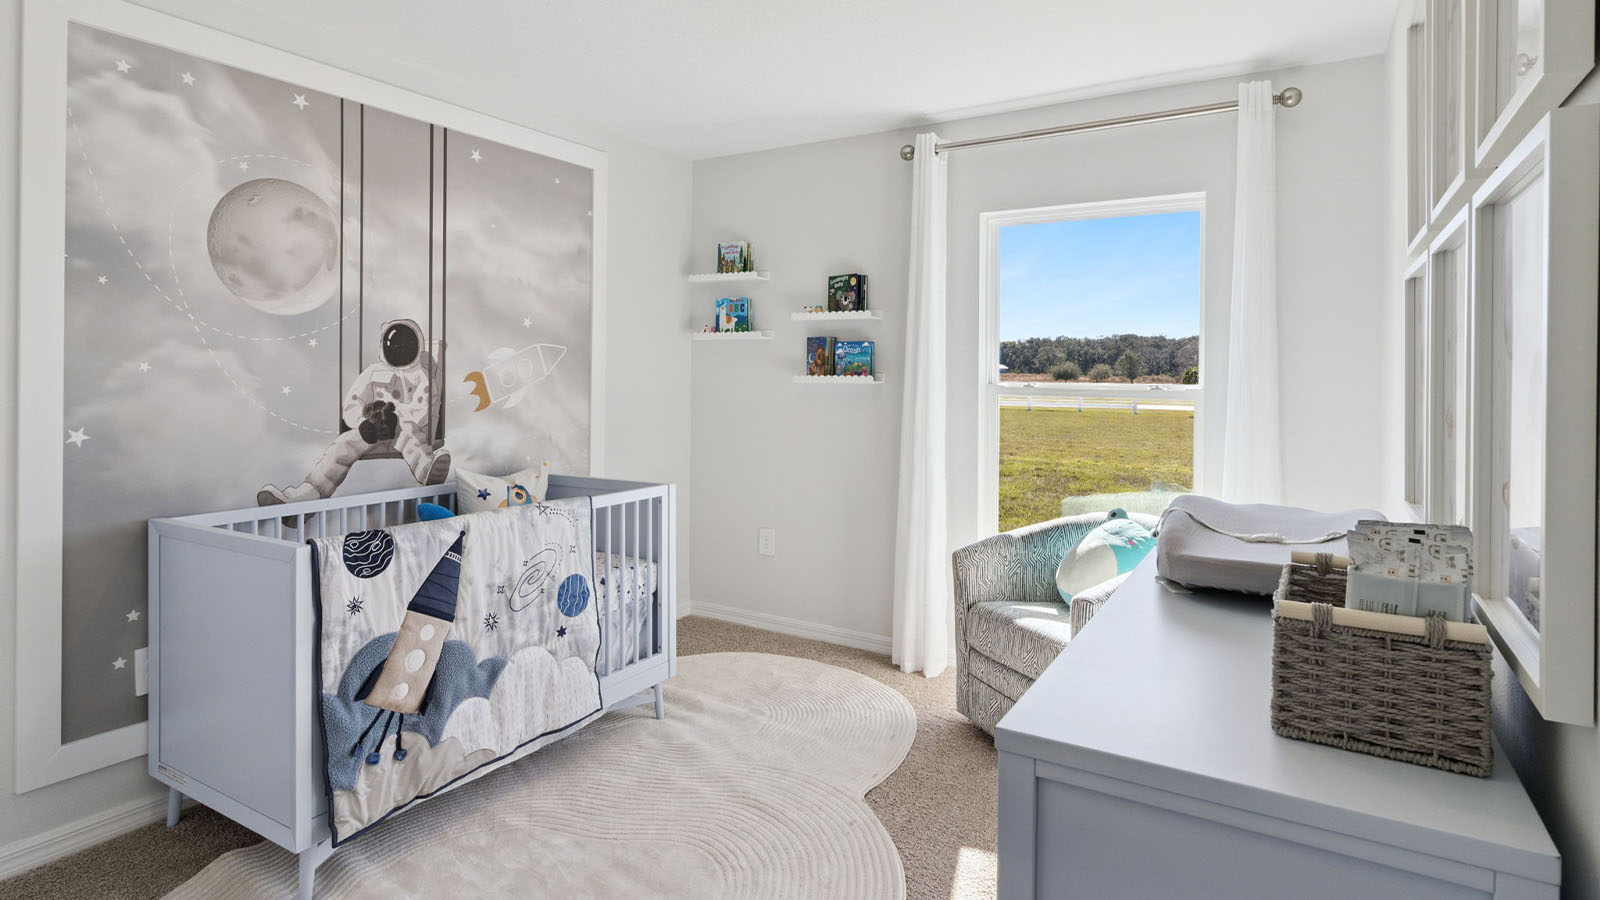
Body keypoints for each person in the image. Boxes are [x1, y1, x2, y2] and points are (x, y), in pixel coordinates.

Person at [257, 318, 450, 505]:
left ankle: (427, 470)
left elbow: (423, 407)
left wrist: (395, 419)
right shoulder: (372, 372)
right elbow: (353, 403)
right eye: (394, 343)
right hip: (372, 430)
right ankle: (304, 496)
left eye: (405, 343)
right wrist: (364, 422)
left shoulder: (422, 377)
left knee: (411, 434)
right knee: (341, 446)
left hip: (403, 429)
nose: (398, 348)